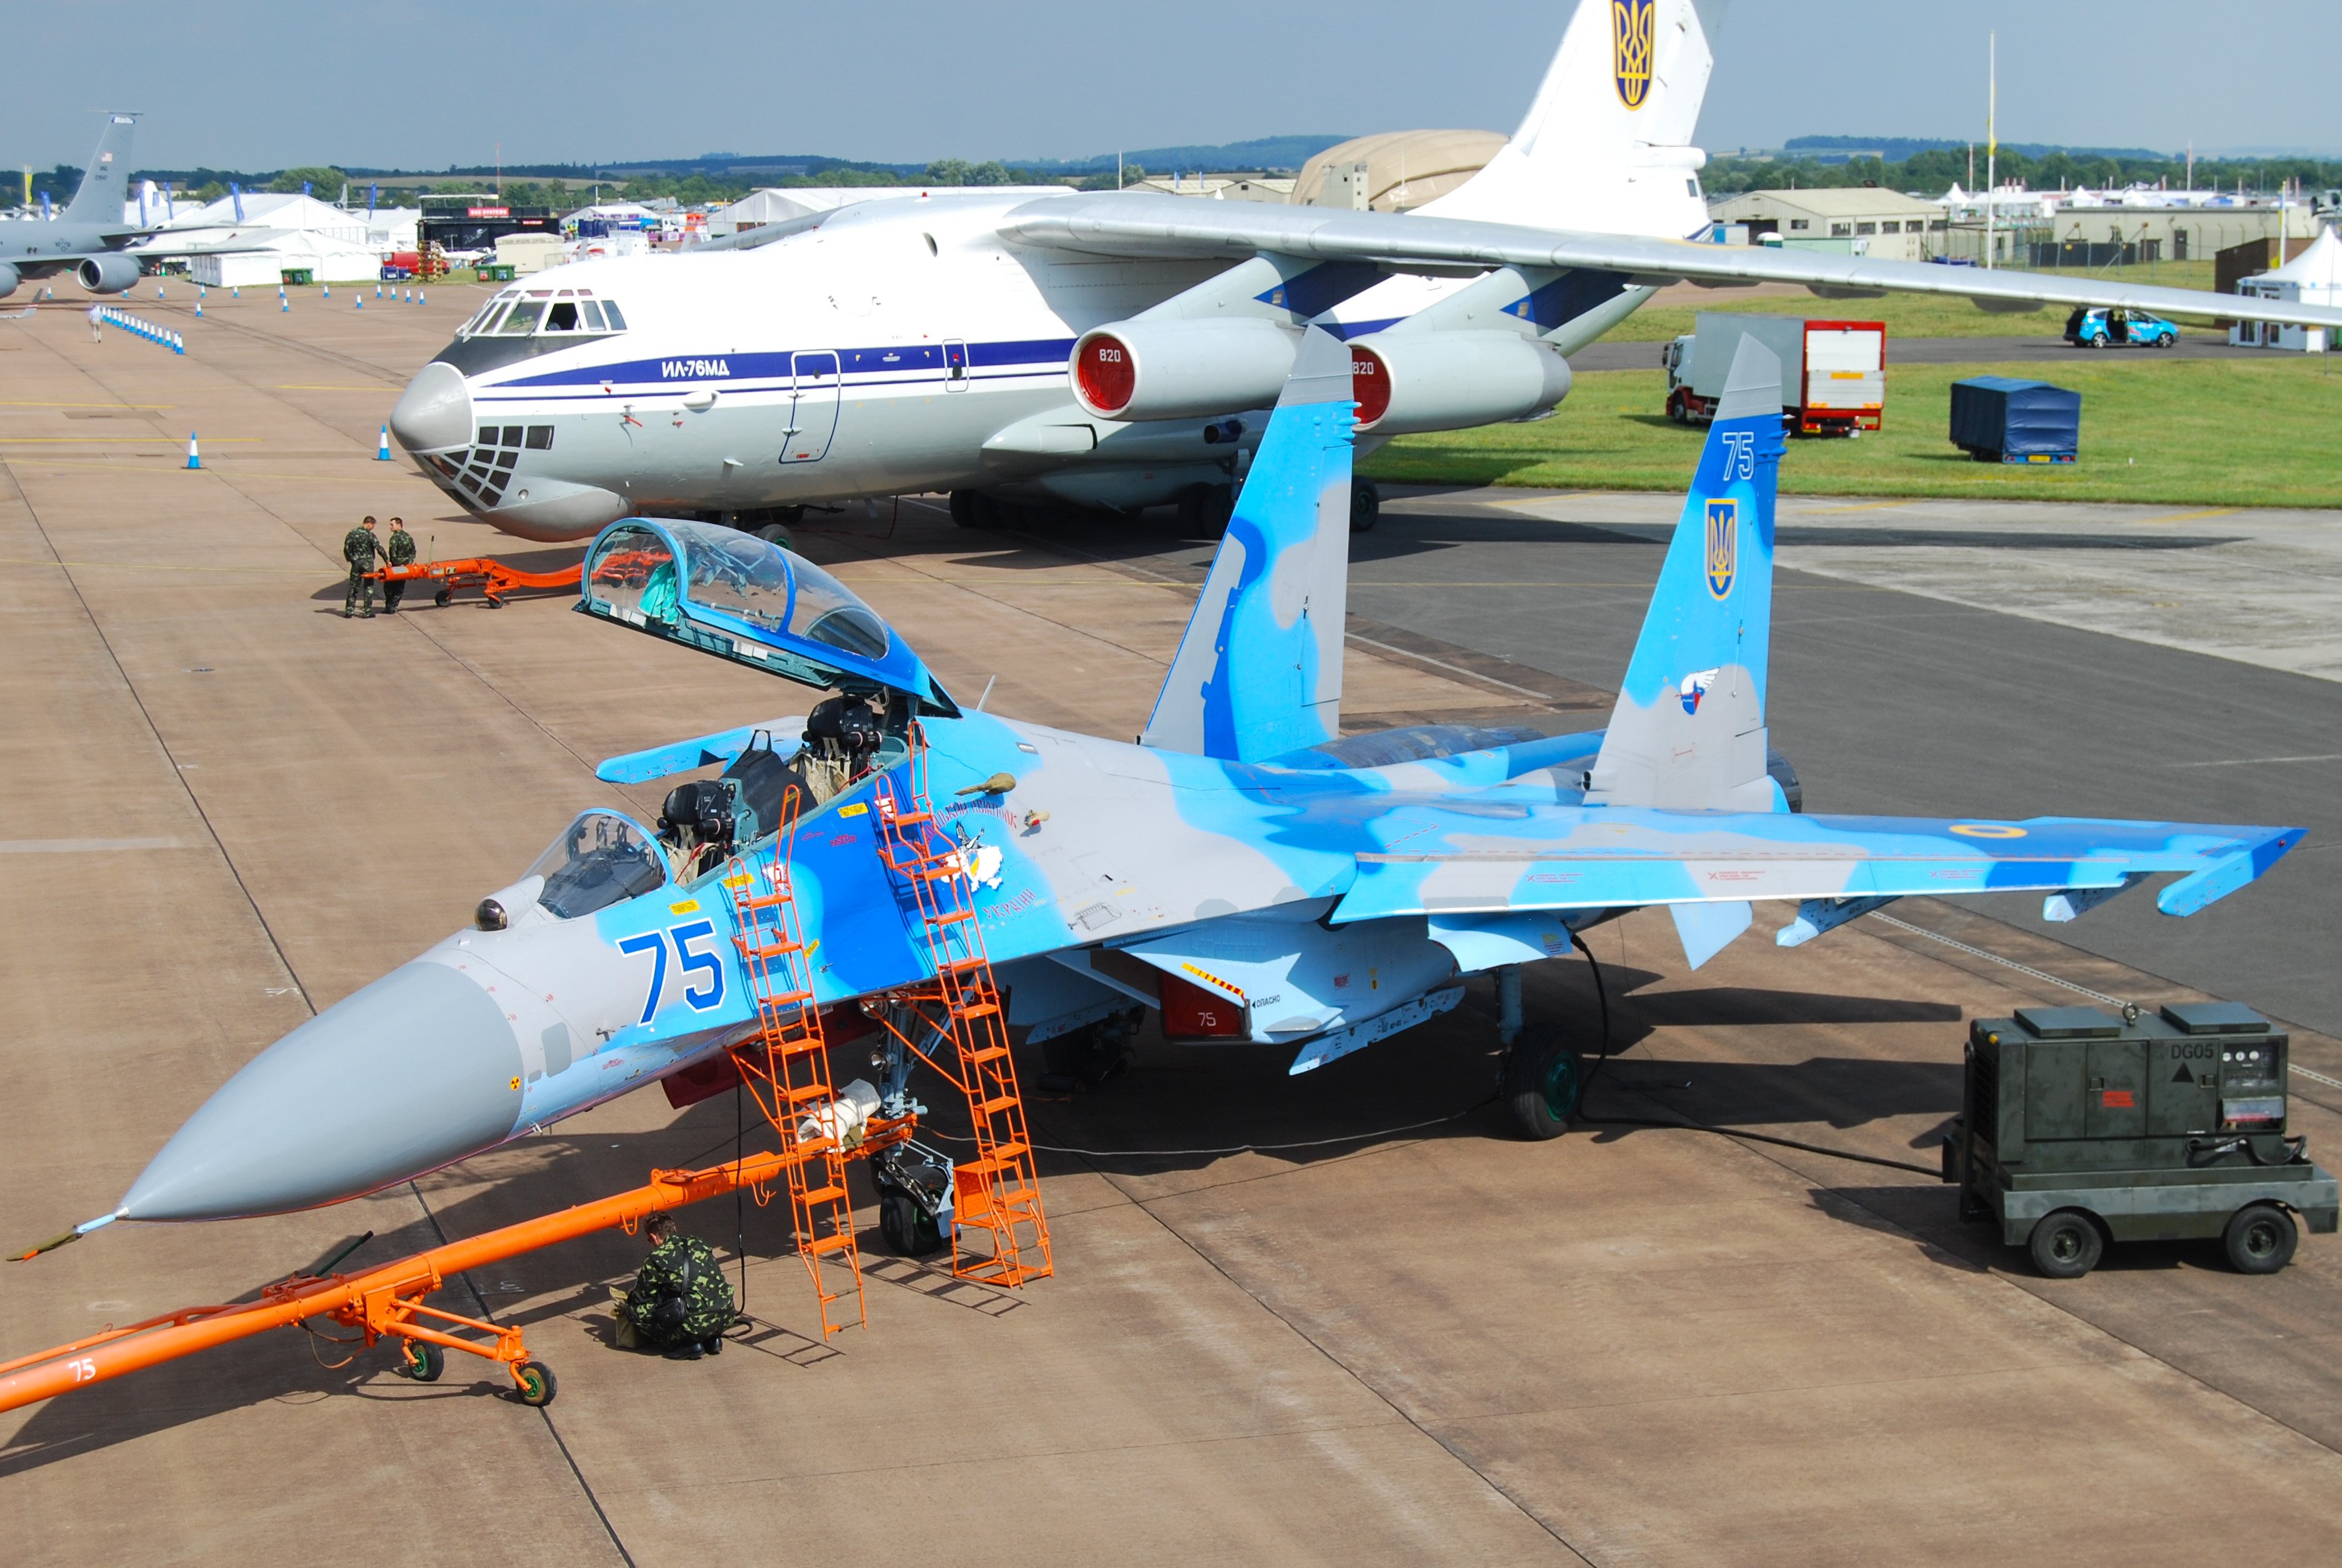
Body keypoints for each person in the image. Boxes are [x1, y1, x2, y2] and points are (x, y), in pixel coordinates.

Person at [614, 1212, 734, 1359]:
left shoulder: (656, 1258)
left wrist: (631, 1295)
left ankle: (686, 1344)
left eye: (649, 1239)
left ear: (653, 1237)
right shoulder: (699, 1243)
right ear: (674, 1228)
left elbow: (641, 1299)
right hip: (726, 1316)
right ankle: (712, 1339)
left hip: (694, 1324)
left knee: (635, 1311)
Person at [342, 515, 381, 618]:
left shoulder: (352, 533)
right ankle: (367, 612)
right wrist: (387, 560)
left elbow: (346, 548)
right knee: (369, 588)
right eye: (373, 526)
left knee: (353, 587)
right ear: (369, 524)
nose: (372, 528)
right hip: (368, 564)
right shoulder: (370, 535)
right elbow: (379, 548)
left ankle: (349, 611)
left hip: (356, 564)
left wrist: (352, 560)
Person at [381, 517, 417, 613]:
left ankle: (390, 607)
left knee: (389, 587)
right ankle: (393, 606)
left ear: (399, 525)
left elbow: (393, 554)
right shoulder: (408, 537)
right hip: (405, 567)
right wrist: (408, 563)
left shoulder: (394, 538)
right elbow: (413, 552)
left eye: (392, 525)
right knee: (399, 588)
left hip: (395, 567)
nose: (391, 527)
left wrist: (396, 564)